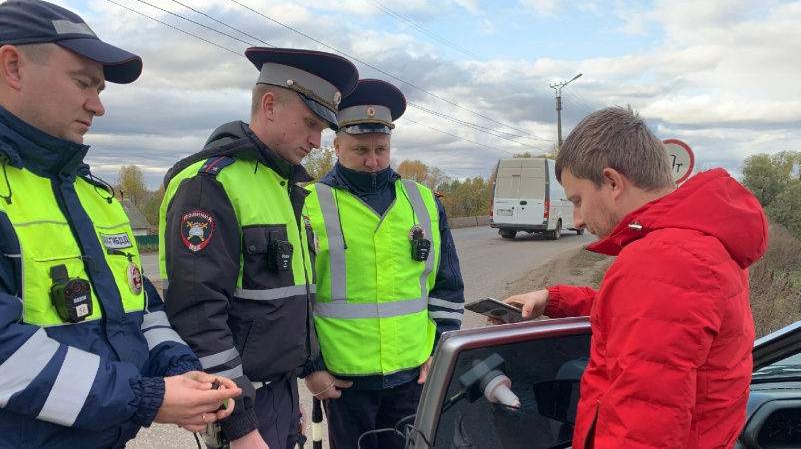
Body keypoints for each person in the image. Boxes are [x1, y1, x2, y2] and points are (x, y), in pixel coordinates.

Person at [0, 0, 241, 448]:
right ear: (13, 67)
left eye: (100, 89)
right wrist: (143, 398)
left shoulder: (94, 195)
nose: (98, 106)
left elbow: (140, 306)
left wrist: (177, 366)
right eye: (82, 82)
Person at [501, 106, 768, 448]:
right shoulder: (696, 245)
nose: (578, 219)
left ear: (612, 182)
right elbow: (645, 316)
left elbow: (641, 432)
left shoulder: (663, 259)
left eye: (578, 200)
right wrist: (553, 300)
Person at [159, 47, 359, 449]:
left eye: (322, 128)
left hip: (277, 394)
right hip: (240, 403)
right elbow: (199, 319)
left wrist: (294, 381)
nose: (317, 141)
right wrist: (241, 425)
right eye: (310, 123)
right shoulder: (210, 184)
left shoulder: (281, 183)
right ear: (269, 105)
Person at [302, 79, 465, 449]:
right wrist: (311, 367)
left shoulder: (424, 202)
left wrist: (439, 352)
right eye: (360, 149)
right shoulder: (306, 204)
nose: (372, 160)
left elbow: (447, 286)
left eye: (381, 149)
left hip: (412, 375)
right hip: (343, 381)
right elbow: (296, 300)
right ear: (336, 145)